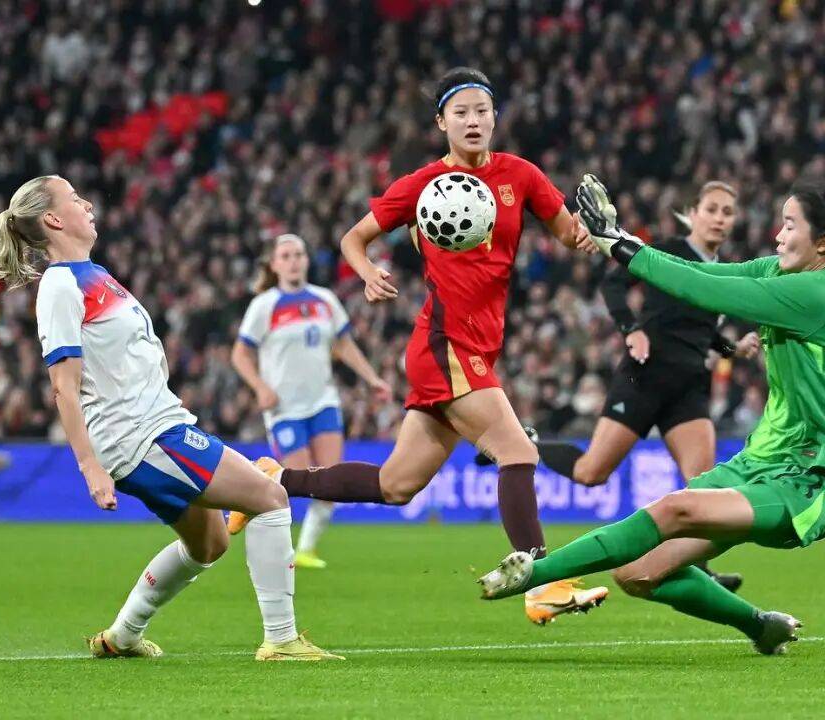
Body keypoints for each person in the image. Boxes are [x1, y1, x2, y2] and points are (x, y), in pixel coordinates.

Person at [248, 67, 607, 624]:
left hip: (477, 347)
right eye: (460, 112)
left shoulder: (521, 175)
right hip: (445, 345)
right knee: (518, 453)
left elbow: (566, 232)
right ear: (441, 122)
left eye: (481, 110)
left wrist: (588, 234)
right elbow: (353, 238)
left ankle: (271, 480)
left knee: (396, 486)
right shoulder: (421, 184)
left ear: (495, 117)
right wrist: (367, 273)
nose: (473, 120)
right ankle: (543, 583)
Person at [479, 174, 825, 655]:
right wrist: (620, 240)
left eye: (790, 225)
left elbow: (704, 291)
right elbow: (704, 274)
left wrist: (620, 246)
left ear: (823, 241)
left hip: (808, 480)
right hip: (762, 461)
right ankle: (761, 627)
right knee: (637, 573)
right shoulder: (788, 274)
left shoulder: (822, 294)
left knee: (675, 508)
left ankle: (535, 573)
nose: (778, 235)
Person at [0, 175, 341, 662]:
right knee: (270, 498)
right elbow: (63, 385)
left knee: (209, 544)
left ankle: (122, 636)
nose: (88, 204)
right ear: (53, 219)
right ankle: (280, 639)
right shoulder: (61, 285)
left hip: (157, 425)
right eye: (75, 198)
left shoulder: (93, 274)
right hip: (142, 436)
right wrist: (90, 466)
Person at [531, 181, 760, 592]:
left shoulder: (723, 269)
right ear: (693, 213)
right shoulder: (667, 250)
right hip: (646, 374)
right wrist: (631, 329)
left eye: (728, 212)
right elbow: (613, 284)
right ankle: (528, 445)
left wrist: (732, 348)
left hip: (689, 385)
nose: (720, 219)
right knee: (591, 473)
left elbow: (699, 328)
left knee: (704, 485)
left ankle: (700, 572)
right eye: (712, 209)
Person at [226, 234, 392, 569]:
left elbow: (344, 345)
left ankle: (305, 550)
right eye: (286, 256)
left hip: (323, 402)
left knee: (330, 480)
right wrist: (260, 387)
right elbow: (240, 354)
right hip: (284, 408)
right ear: (274, 265)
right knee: (295, 479)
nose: (293, 261)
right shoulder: (265, 305)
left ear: (306, 260)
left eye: (299, 254)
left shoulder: (324, 299)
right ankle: (255, 493)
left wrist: (372, 378)